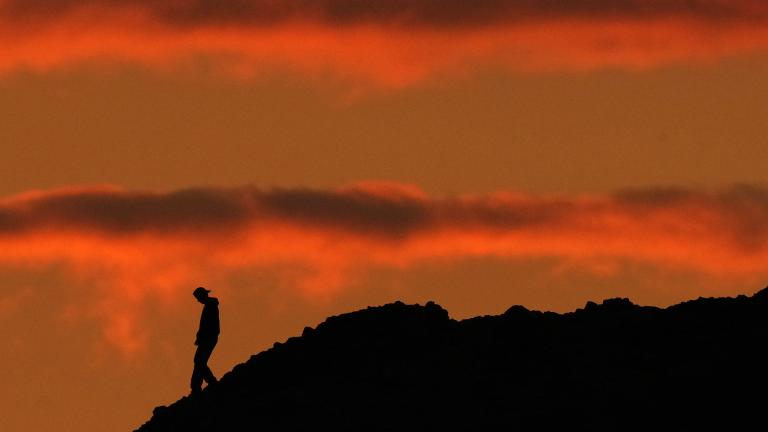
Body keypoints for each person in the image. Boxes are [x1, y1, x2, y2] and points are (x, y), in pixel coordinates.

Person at [190, 286, 219, 395]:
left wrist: (201, 336)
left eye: (198, 298)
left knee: (199, 361)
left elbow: (208, 325)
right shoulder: (210, 305)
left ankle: (200, 386)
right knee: (199, 361)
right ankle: (207, 383)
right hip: (208, 338)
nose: (198, 300)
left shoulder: (210, 306)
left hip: (209, 338)